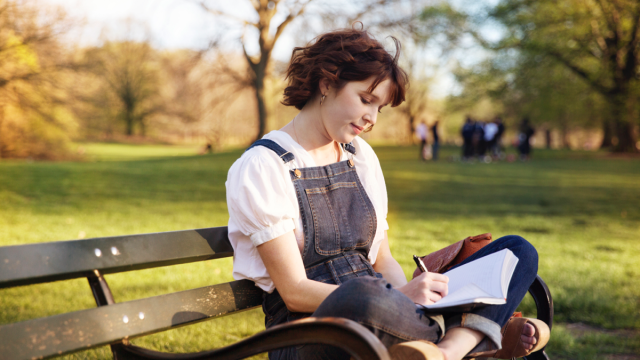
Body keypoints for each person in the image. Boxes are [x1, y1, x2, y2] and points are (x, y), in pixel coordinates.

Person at [226, 27, 546, 360]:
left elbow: (383, 260)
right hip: (313, 329)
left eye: (380, 108)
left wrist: (407, 297)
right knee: (362, 295)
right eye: (366, 100)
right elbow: (293, 292)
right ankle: (477, 335)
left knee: (516, 251)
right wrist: (400, 297)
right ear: (326, 83)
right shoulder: (263, 165)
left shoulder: (359, 156)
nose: (372, 118)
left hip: (390, 310)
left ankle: (448, 351)